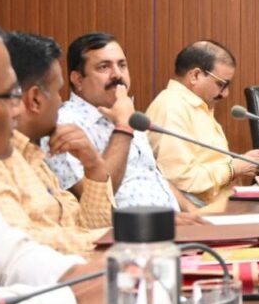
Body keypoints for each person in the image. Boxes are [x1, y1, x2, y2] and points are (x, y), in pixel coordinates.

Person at [0, 20, 104, 304]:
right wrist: (73, 298)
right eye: (11, 95)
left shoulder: (34, 154)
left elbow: (10, 256)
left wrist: (82, 276)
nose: (18, 109)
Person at [0, 32, 113, 256]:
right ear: (35, 99)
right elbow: (19, 249)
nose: (61, 103)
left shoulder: (34, 155)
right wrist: (122, 238)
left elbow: (84, 228)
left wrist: (94, 166)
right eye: (58, 92)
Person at [44, 32, 198, 214]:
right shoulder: (63, 125)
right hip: (128, 229)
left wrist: (195, 213)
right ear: (78, 79)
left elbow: (150, 174)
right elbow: (94, 202)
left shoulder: (125, 110)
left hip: (172, 222)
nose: (117, 74)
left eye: (122, 65)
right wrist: (123, 127)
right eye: (104, 67)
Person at [146, 40, 259, 204]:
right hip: (202, 210)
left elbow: (206, 161)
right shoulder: (172, 107)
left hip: (225, 203)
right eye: (221, 84)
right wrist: (232, 168)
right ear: (195, 75)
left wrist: (242, 161)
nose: (225, 94)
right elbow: (180, 179)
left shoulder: (197, 105)